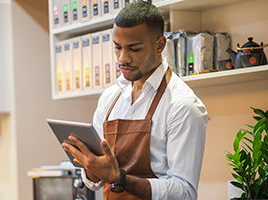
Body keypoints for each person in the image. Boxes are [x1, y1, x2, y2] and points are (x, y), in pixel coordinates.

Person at [62, 2, 208, 200]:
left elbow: (184, 192)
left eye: (134, 49)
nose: (122, 58)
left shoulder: (183, 106)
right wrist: (90, 167)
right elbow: (94, 183)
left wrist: (119, 178)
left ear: (159, 45)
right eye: (117, 47)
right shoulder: (110, 98)